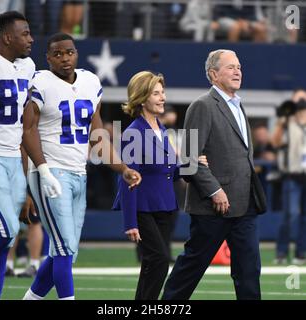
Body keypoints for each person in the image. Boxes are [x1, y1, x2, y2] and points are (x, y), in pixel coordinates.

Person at [21, 33, 141, 300]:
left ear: (76, 53)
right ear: (48, 58)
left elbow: (97, 136)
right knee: (63, 248)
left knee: (66, 251)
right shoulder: (39, 82)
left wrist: (122, 168)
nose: (65, 58)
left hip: (78, 172)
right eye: (58, 54)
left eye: (70, 52)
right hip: (50, 173)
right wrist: (33, 177)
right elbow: (26, 133)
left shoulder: (90, 81)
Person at [162, 49, 267, 300]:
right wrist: (215, 190)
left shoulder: (238, 105)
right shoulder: (202, 105)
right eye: (230, 67)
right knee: (192, 267)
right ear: (213, 74)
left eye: (239, 66)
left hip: (245, 204)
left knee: (249, 270)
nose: (237, 71)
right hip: (213, 207)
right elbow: (189, 159)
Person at [112, 71, 207, 300]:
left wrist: (192, 164)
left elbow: (170, 172)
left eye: (162, 92)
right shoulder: (134, 132)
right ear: (143, 98)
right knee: (159, 260)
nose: (162, 97)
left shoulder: (161, 129)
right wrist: (130, 222)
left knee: (151, 265)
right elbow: (126, 179)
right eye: (156, 93)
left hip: (164, 207)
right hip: (143, 208)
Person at [0, 11, 36, 300]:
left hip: (12, 160)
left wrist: (26, 182)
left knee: (4, 240)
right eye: (25, 33)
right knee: (5, 229)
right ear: (7, 37)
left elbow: (25, 130)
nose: (31, 38)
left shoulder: (27, 67)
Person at [272, 89, 306, 265]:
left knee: (304, 217)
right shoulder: (287, 120)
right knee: (290, 214)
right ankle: (281, 252)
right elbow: (275, 142)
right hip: (291, 174)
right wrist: (282, 121)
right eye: (298, 98)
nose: (301, 102)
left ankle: (301, 253)